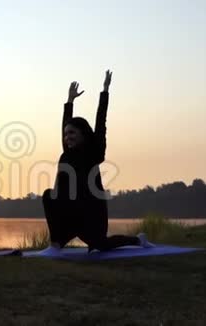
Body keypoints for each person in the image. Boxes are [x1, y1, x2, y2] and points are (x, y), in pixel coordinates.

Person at [39, 70, 154, 256]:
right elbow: (65, 124)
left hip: (91, 214)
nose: (67, 137)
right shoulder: (67, 154)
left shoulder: (94, 153)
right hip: (70, 214)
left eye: (72, 133)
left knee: (100, 246)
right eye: (65, 134)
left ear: (83, 134)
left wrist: (105, 91)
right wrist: (69, 101)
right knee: (48, 195)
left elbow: (101, 120)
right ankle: (55, 246)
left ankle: (138, 239)